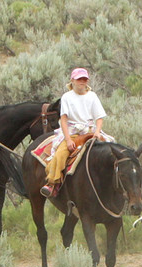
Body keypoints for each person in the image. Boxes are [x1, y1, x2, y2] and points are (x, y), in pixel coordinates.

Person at [41, 67, 109, 198]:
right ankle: (52, 183)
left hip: (90, 130)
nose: (82, 82)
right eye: (79, 79)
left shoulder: (92, 96)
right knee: (61, 154)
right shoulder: (67, 97)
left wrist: (97, 132)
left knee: (111, 148)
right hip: (73, 131)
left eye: (84, 79)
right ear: (72, 80)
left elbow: (99, 118)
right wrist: (68, 139)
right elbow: (64, 119)